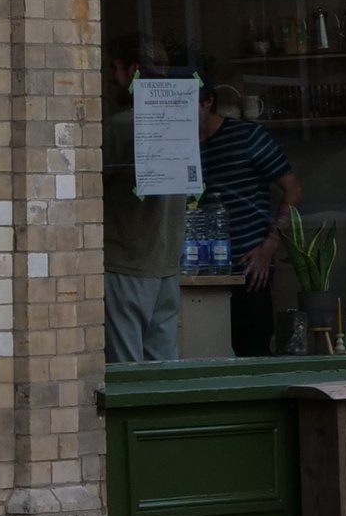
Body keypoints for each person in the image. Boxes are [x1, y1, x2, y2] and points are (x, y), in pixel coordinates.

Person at [102, 37, 188, 363]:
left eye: (115, 69)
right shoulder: (178, 123)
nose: (111, 78)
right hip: (166, 265)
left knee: (126, 375)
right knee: (163, 373)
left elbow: (86, 191)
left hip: (125, 263)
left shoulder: (118, 128)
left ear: (133, 70)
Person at [198, 83, 299, 357]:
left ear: (208, 102)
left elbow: (293, 189)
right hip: (199, 271)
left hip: (249, 267)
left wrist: (269, 246)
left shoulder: (247, 136)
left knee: (252, 350)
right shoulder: (180, 145)